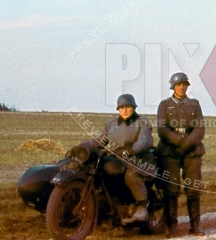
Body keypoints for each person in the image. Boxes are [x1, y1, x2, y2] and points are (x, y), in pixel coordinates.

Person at [66, 94, 156, 224]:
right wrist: (83, 146)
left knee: (131, 175)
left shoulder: (142, 122)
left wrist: (134, 149)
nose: (124, 110)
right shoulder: (111, 124)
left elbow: (145, 139)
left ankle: (142, 207)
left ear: (134, 108)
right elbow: (99, 140)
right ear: (118, 109)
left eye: (128, 107)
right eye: (121, 107)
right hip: (118, 157)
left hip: (140, 158)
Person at [157, 72, 206, 237]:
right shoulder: (164, 105)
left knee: (193, 188)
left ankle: (195, 225)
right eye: (179, 84)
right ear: (173, 86)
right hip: (170, 151)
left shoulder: (194, 104)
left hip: (191, 150)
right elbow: (162, 129)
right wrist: (178, 141)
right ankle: (171, 226)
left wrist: (186, 144)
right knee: (171, 189)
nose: (182, 87)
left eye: (185, 84)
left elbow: (200, 129)